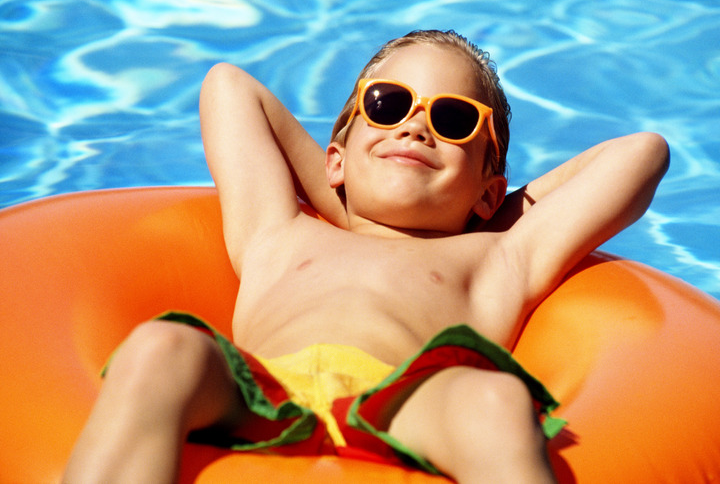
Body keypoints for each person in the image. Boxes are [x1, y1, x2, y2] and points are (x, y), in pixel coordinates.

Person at [63, 30, 669, 483]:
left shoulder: (498, 256)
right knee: (161, 347)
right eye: (387, 105)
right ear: (333, 159)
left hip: (407, 398)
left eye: (454, 120)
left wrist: (492, 211)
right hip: (261, 389)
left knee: (496, 402)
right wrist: (346, 185)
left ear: (489, 190)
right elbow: (228, 84)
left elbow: (641, 153)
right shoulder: (279, 229)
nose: (414, 128)